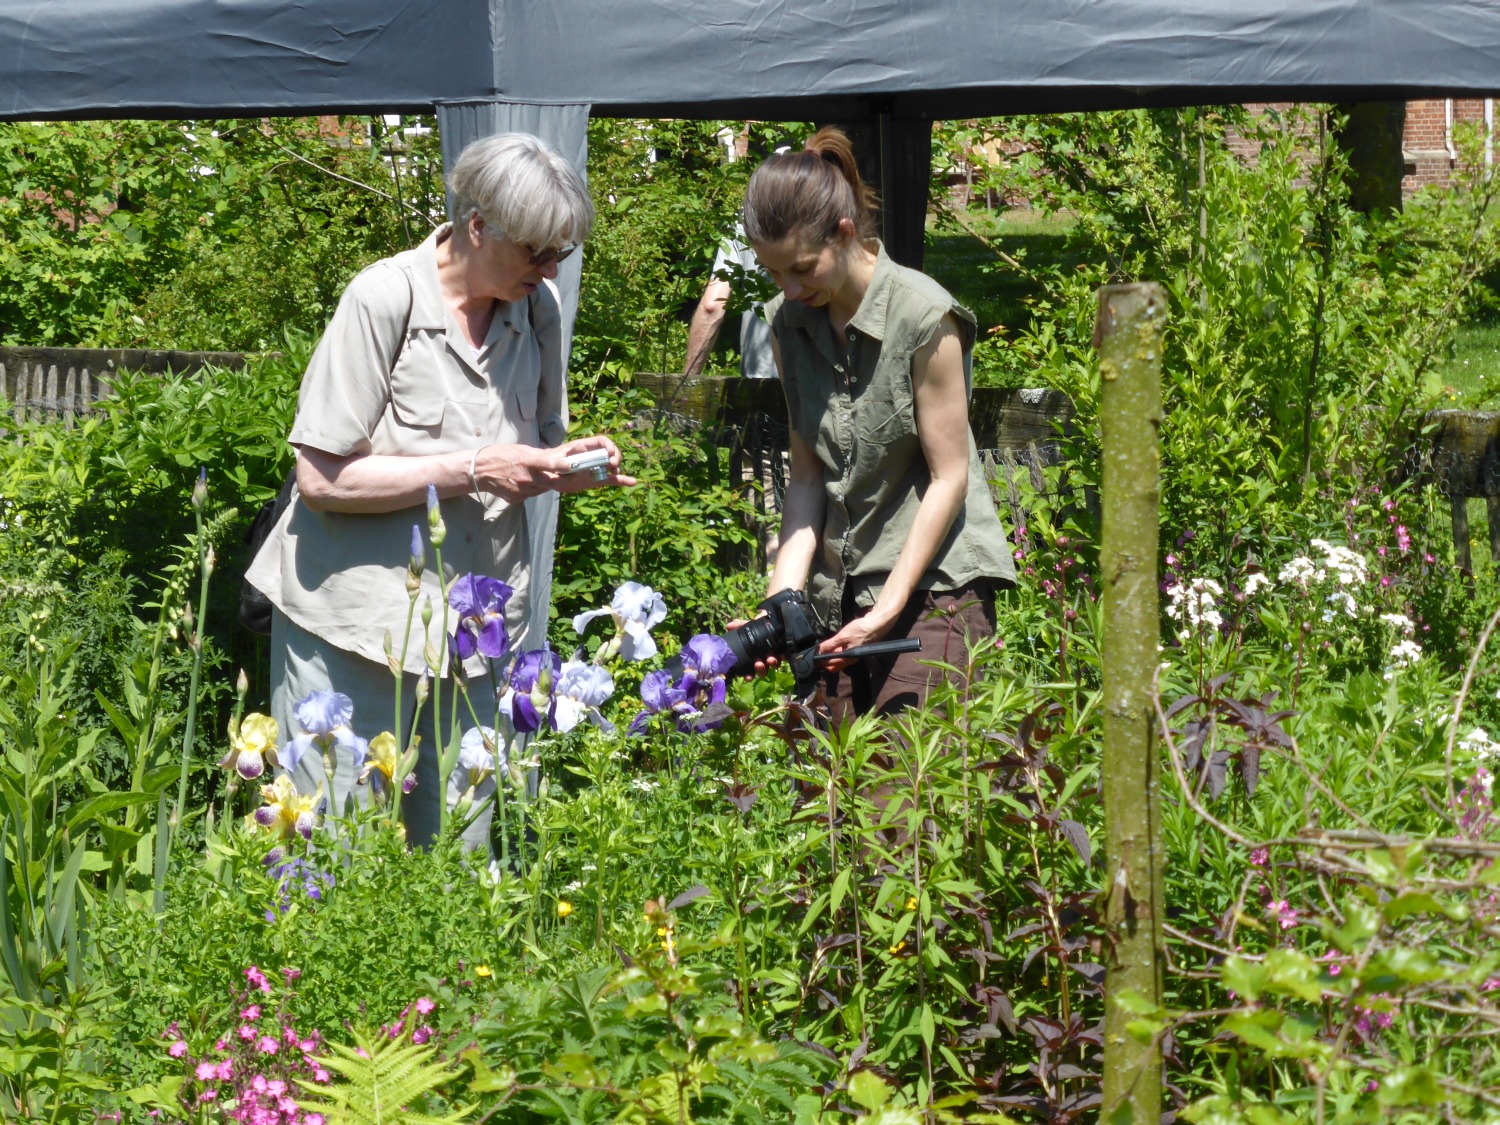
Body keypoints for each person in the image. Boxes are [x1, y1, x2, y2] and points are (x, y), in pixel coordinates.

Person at [246, 132, 635, 848]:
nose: (551, 268)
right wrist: (477, 467)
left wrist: (564, 465)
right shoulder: (383, 296)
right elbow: (321, 476)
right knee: (335, 859)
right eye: (537, 250)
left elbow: (530, 449)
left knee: (463, 862)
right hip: (352, 632)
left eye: (563, 253)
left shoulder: (537, 312)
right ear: (477, 225)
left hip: (473, 643)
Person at [739, 127, 1015, 723]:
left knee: (907, 804)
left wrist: (888, 608)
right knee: (829, 797)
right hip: (839, 598)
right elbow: (808, 477)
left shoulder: (924, 316)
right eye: (773, 273)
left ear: (843, 233)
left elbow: (949, 478)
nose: (788, 288)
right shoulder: (788, 323)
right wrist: (778, 608)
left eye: (802, 268)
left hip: (935, 592)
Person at [683, 224, 776, 379]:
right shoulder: (821, 207)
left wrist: (686, 384)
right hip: (821, 380)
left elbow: (711, 307)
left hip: (759, 379)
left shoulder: (742, 220)